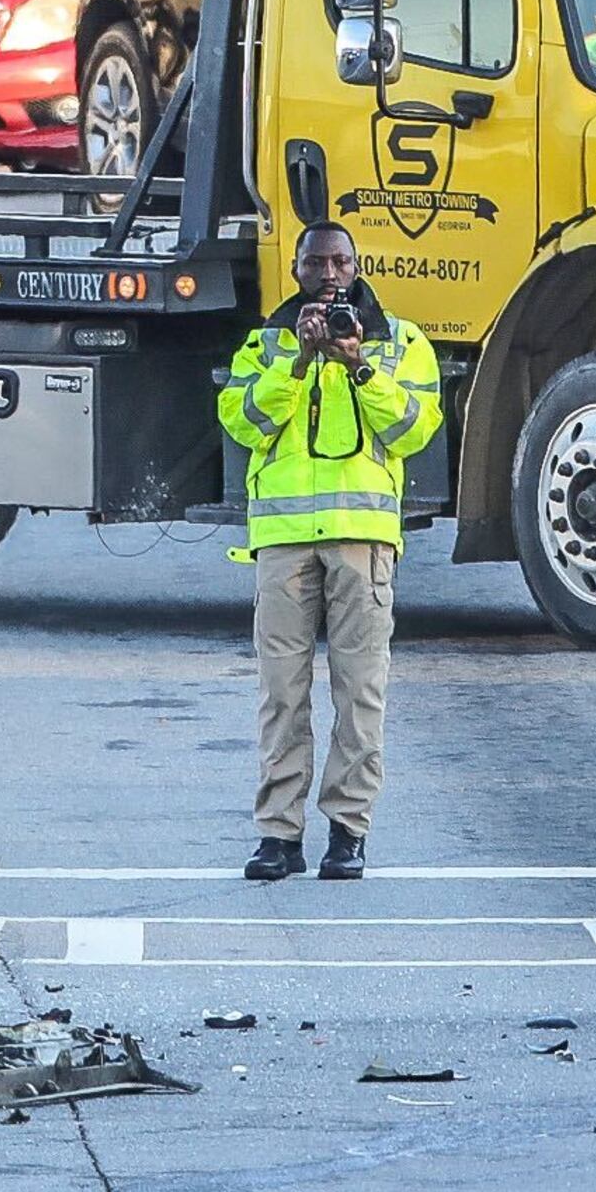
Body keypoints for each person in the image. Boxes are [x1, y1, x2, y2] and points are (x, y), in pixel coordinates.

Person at [216, 221, 442, 883]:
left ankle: (349, 832)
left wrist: (358, 364)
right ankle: (278, 835)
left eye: (340, 261)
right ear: (296, 269)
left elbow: (411, 430)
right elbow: (244, 422)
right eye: (316, 262)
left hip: (362, 543)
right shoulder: (264, 344)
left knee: (359, 692)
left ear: (358, 265)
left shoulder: (399, 343)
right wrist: (299, 361)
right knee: (281, 696)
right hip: (284, 546)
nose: (330, 274)